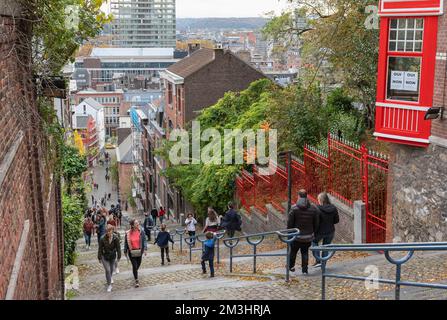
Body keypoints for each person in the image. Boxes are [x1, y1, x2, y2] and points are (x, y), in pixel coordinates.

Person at [287, 189, 319, 275]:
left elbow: (290, 223)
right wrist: (313, 232)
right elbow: (316, 223)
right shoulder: (313, 208)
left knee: (293, 251)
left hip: (296, 236)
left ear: (298, 196)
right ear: (307, 196)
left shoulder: (294, 208)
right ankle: (305, 270)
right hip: (308, 236)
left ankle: (291, 266)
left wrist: (289, 234)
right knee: (305, 252)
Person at [312, 192, 339, 267]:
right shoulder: (333, 208)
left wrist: (314, 230)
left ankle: (318, 260)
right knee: (326, 247)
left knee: (314, 242)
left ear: (321, 200)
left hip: (320, 232)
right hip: (330, 231)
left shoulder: (317, 208)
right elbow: (336, 220)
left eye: (318, 199)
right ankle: (323, 264)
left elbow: (316, 222)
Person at [124, 219, 147, 288]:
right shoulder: (128, 233)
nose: (138, 224)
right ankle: (136, 280)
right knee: (134, 265)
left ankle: (135, 272)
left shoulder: (141, 232)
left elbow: (144, 241)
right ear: (133, 225)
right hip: (131, 252)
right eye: (136, 223)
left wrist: (145, 249)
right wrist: (125, 250)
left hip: (139, 251)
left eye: (138, 223)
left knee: (137, 265)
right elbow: (126, 243)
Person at [98, 225, 121, 292]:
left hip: (112, 256)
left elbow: (118, 248)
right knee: (107, 270)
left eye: (109, 231)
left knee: (111, 270)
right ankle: (109, 285)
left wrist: (119, 256)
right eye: (107, 231)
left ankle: (110, 278)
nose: (108, 232)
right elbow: (100, 249)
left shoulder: (116, 238)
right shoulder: (102, 238)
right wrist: (99, 257)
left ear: (112, 230)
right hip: (104, 256)